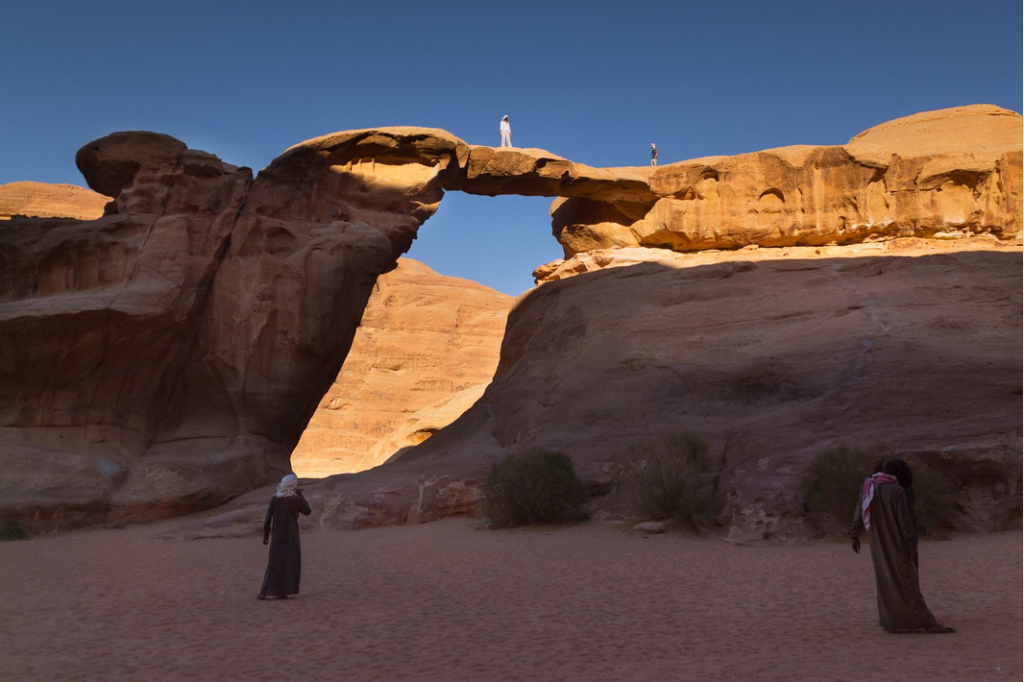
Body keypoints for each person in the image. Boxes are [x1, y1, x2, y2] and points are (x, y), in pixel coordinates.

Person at [850, 460, 954, 633]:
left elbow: (859, 513)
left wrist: (854, 535)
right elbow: (905, 523)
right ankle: (928, 623)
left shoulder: (868, 488)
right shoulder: (897, 491)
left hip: (878, 545)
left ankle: (890, 622)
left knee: (885, 580)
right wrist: (911, 544)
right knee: (909, 581)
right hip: (897, 544)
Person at [259, 474, 312, 600]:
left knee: (274, 563)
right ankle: (284, 590)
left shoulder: (275, 499)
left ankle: (265, 592)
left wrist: (266, 535)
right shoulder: (295, 499)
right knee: (290, 563)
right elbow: (307, 511)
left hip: (277, 536)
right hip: (291, 536)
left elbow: (268, 518)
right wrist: (300, 494)